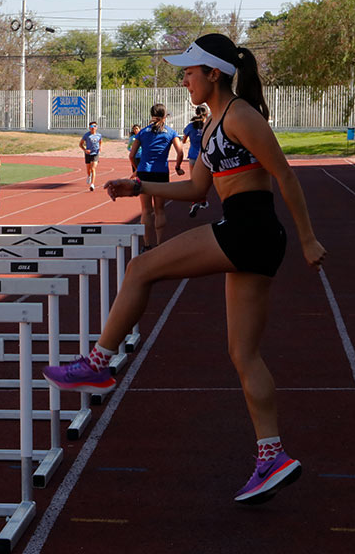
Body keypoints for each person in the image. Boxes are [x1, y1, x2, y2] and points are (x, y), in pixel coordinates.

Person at [42, 33, 327, 506]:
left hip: (249, 228)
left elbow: (286, 174)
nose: (184, 79)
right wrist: (139, 187)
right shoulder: (212, 123)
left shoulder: (241, 116)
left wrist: (309, 238)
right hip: (248, 234)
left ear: (214, 73)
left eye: (190, 72)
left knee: (140, 268)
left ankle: (97, 364)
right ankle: (272, 455)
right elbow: (197, 191)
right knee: (243, 354)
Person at [128, 103, 185, 249]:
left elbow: (132, 155)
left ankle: (147, 244)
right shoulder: (171, 132)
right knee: (160, 210)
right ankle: (160, 244)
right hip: (161, 173)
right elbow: (180, 152)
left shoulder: (142, 132)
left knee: (146, 210)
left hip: (144, 172)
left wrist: (137, 169)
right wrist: (177, 167)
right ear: (165, 116)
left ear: (151, 115)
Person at [182, 105, 210, 217]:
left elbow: (184, 140)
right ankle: (203, 201)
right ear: (206, 114)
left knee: (194, 181)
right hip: (205, 156)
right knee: (208, 182)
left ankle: (195, 202)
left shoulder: (190, 127)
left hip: (193, 156)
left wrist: (191, 137)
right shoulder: (209, 125)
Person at [79, 121, 102, 191]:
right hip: (88, 154)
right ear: (89, 128)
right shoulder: (86, 135)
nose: (93, 128)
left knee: (93, 169)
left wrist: (100, 148)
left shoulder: (99, 135)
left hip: (95, 153)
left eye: (94, 126)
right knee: (88, 170)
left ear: (97, 127)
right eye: (92, 127)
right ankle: (89, 176)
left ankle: (92, 184)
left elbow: (100, 142)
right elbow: (80, 144)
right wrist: (85, 150)